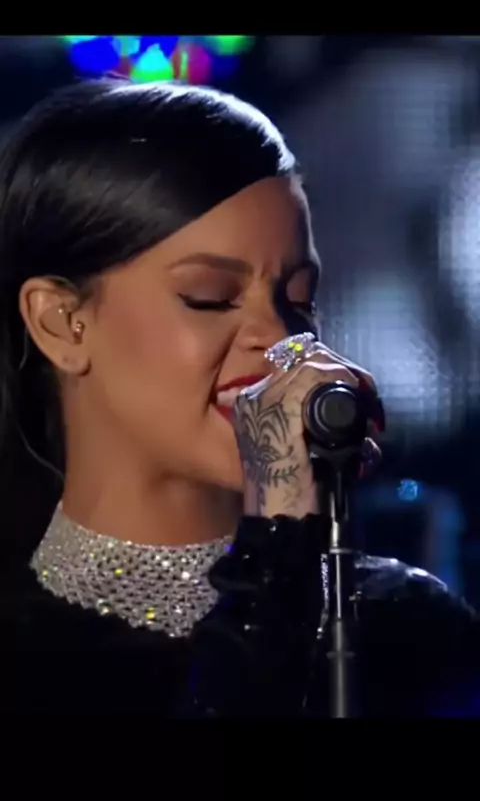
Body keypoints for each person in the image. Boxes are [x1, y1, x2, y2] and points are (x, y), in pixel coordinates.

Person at [0, 78, 478, 717]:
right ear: (61, 323)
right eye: (209, 297)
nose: (280, 337)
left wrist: (292, 547)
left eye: (299, 299)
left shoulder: (404, 628)